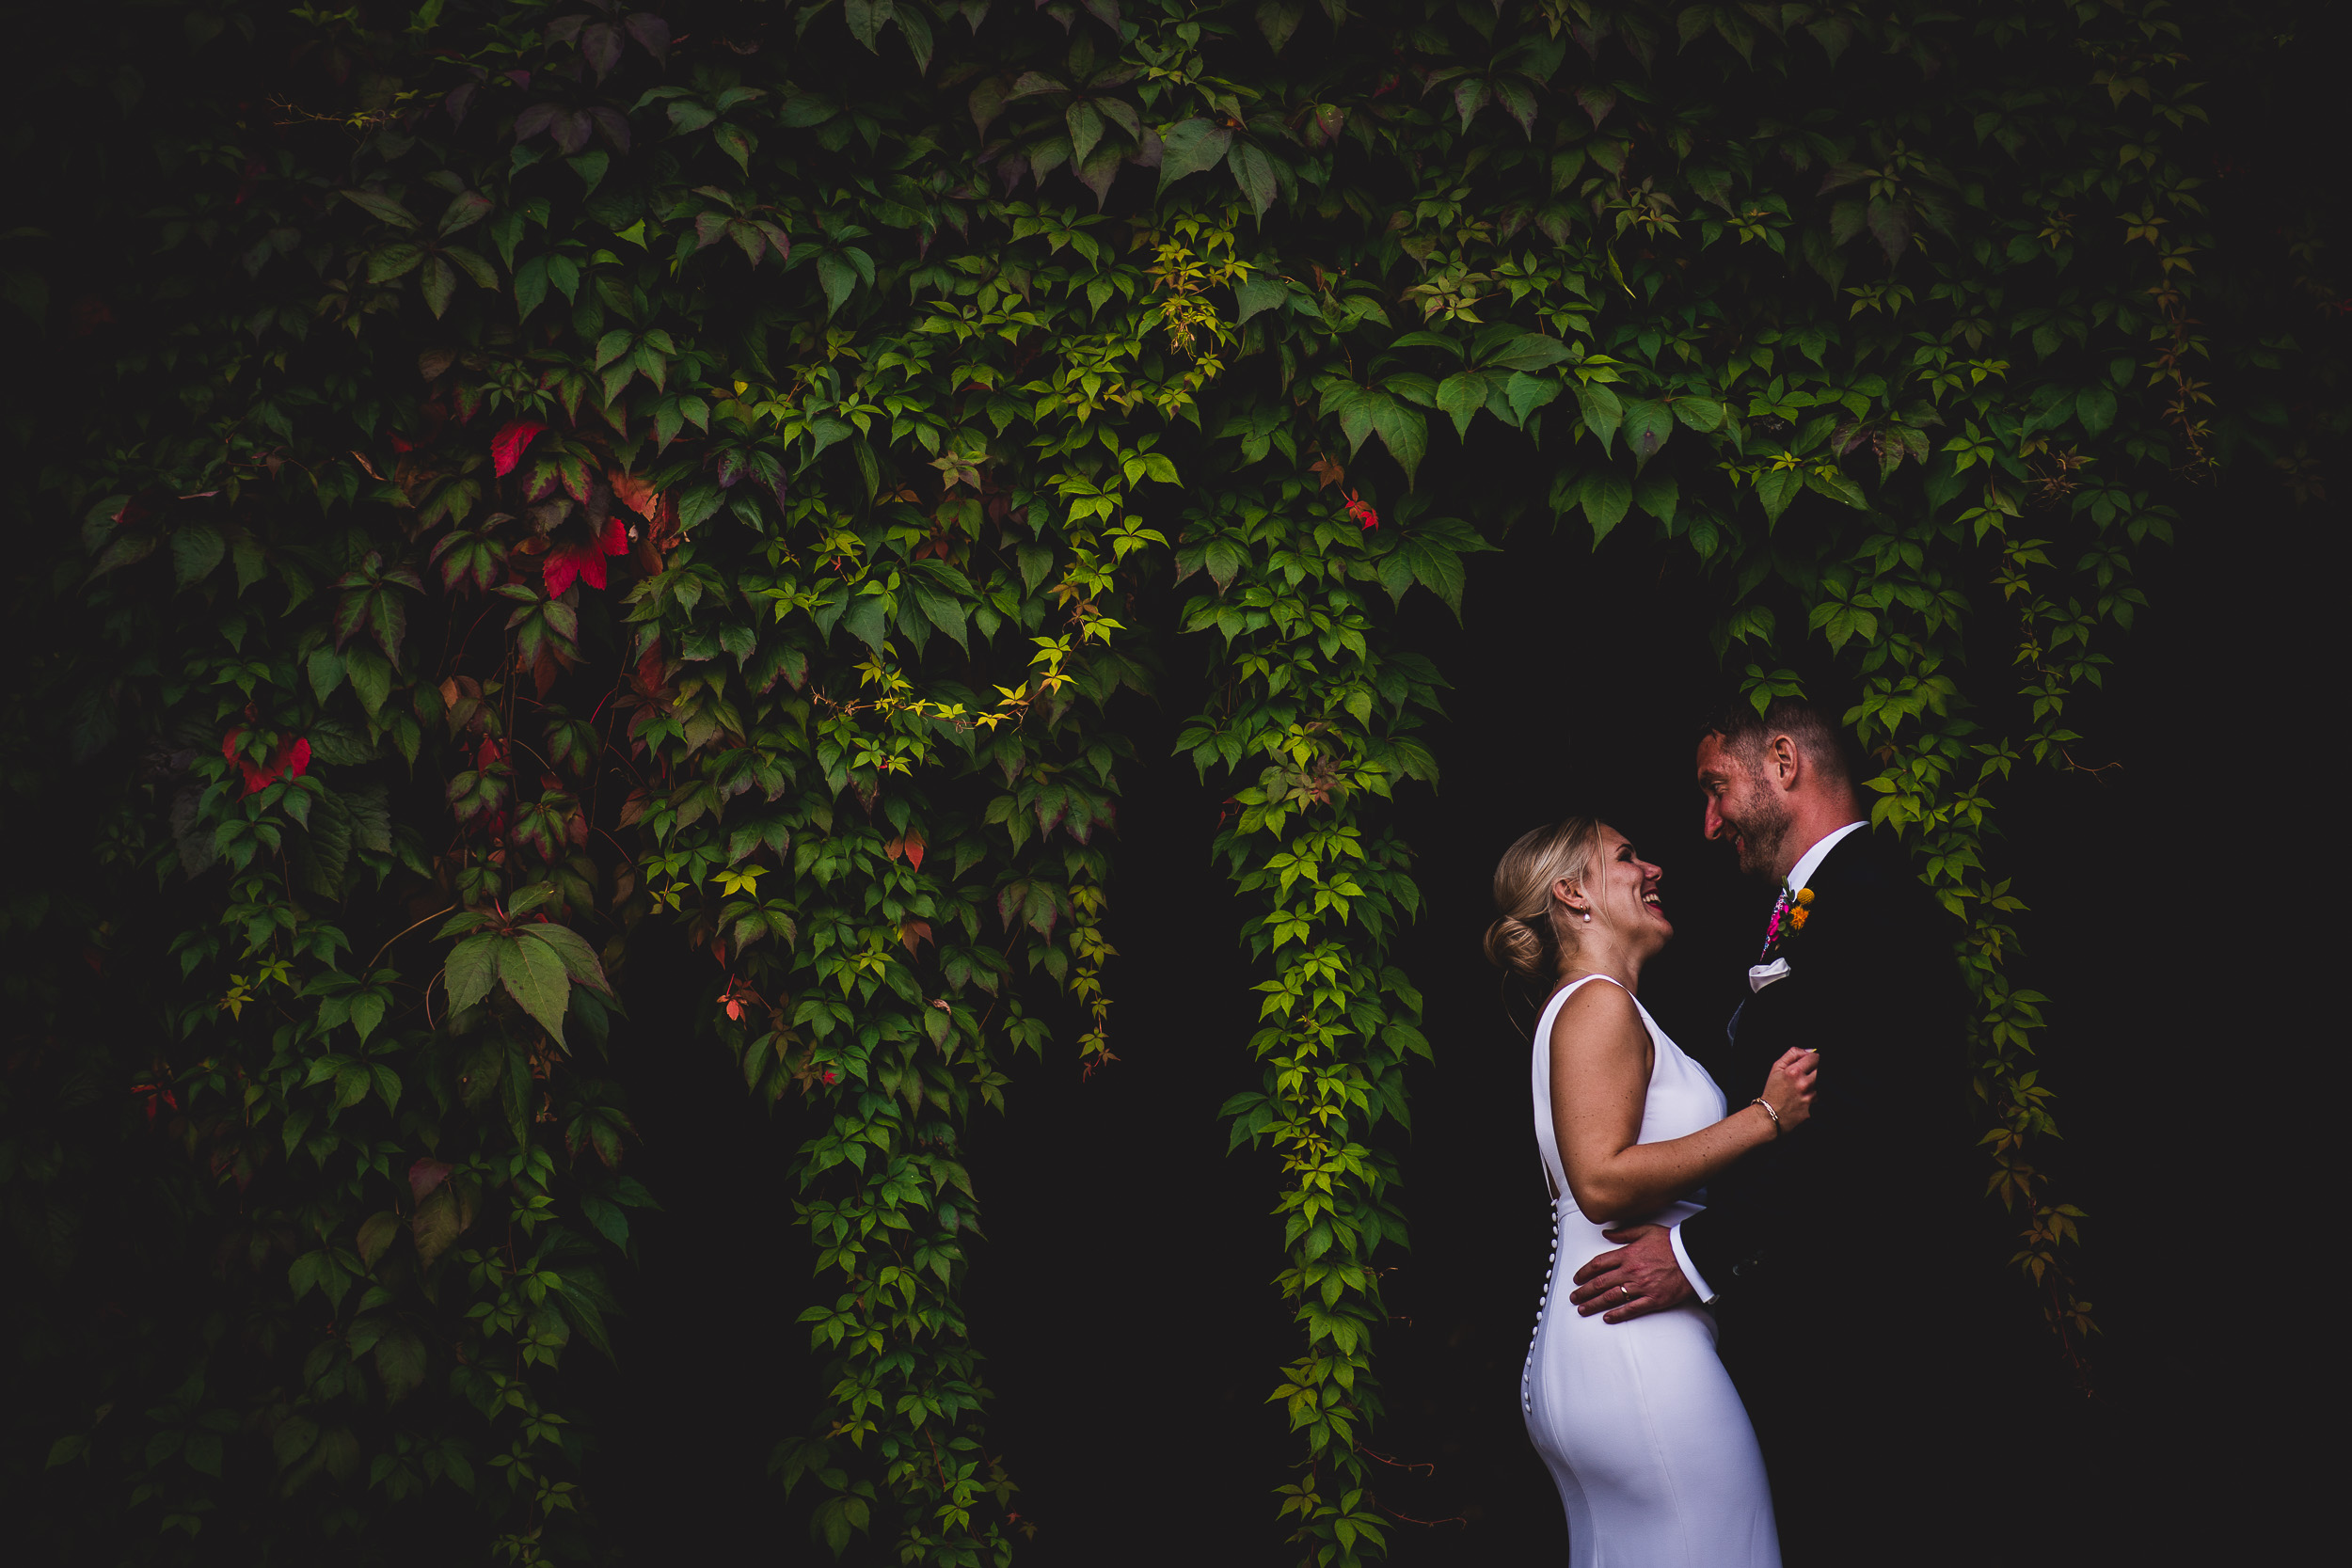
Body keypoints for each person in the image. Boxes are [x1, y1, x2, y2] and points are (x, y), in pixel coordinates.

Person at [1564, 698, 1971, 1563]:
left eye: (1716, 789)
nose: (1708, 825)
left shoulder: (1872, 900)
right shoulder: (1822, 904)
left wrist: (1693, 1254)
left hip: (1873, 1342)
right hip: (1814, 1337)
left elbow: (1864, 1126)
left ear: (1783, 761)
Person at [1486, 815, 1819, 1568]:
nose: (1653, 868)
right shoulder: (1598, 1002)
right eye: (1626, 857)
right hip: (1633, 1343)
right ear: (1573, 893)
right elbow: (1600, 1180)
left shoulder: (1585, 1008)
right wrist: (1764, 1117)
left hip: (1595, 1341)